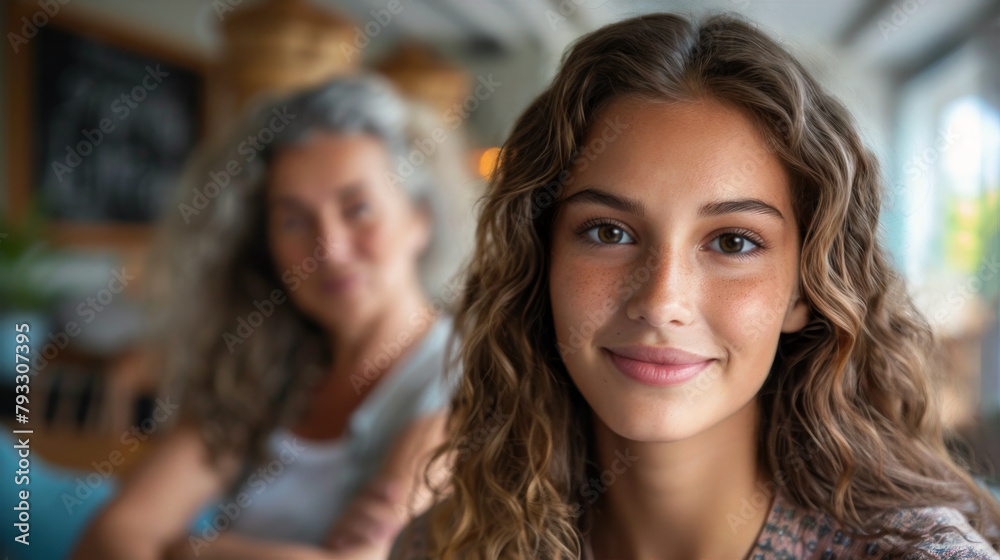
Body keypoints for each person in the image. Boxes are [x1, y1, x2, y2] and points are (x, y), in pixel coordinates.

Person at [388, 13, 1000, 560]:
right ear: (539, 260)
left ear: (805, 289)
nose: (660, 302)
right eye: (607, 232)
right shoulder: (441, 545)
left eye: (733, 242)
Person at [72, 74, 473, 560]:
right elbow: (113, 534)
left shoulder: (463, 379)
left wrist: (190, 550)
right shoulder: (259, 362)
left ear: (420, 219)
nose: (329, 250)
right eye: (293, 221)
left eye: (358, 208)